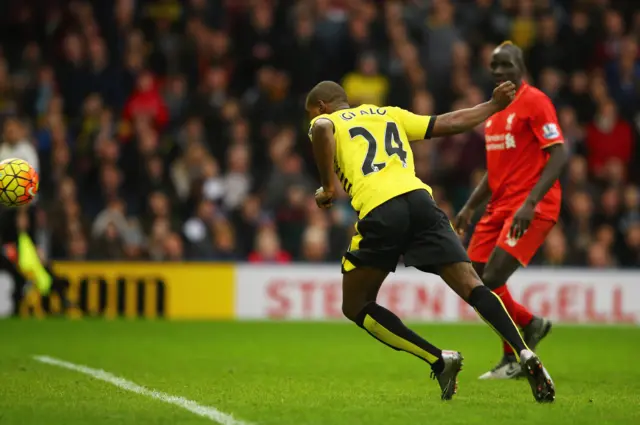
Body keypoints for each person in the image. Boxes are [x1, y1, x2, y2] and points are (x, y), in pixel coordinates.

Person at [306, 80, 555, 402]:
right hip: (422, 202)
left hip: (380, 207)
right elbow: (449, 122)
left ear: (323, 105)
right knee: (471, 283)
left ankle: (439, 360)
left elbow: (323, 129)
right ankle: (524, 352)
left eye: (312, 113)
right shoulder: (388, 114)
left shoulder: (326, 120)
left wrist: (327, 188)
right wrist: (492, 105)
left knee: (354, 304)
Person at [454, 41, 567, 380]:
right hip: (498, 207)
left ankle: (524, 336)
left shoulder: (536, 101)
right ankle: (519, 343)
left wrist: (530, 203)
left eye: (507, 64)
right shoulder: (494, 112)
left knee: (491, 279)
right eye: (495, 66)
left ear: (521, 66)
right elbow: (495, 170)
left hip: (530, 206)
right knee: (473, 283)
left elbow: (558, 153)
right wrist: (469, 207)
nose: (500, 71)